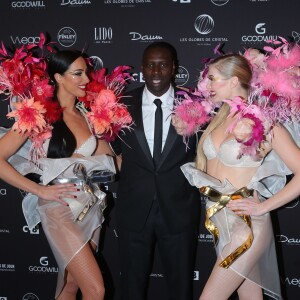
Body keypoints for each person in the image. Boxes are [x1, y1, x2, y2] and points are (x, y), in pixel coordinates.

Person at [178, 52, 300, 300]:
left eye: (212, 79)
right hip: (221, 222)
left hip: (246, 228)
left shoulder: (264, 122)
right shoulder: (218, 119)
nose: (206, 85)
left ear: (234, 81)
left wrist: (264, 206)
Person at [0, 50, 116, 299]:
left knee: (71, 284)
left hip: (90, 207)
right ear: (58, 77)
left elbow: (111, 162)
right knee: (96, 290)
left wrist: (112, 130)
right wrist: (40, 190)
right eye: (77, 73)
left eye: (86, 72)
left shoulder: (87, 115)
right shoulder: (38, 114)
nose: (86, 78)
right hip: (60, 208)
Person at [110, 42, 200, 299]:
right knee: (131, 288)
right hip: (133, 211)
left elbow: (207, 150)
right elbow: (108, 148)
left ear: (174, 68)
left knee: (181, 287)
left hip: (179, 210)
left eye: (163, 65)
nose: (156, 71)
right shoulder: (122, 103)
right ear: (142, 68)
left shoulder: (195, 104)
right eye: (150, 65)